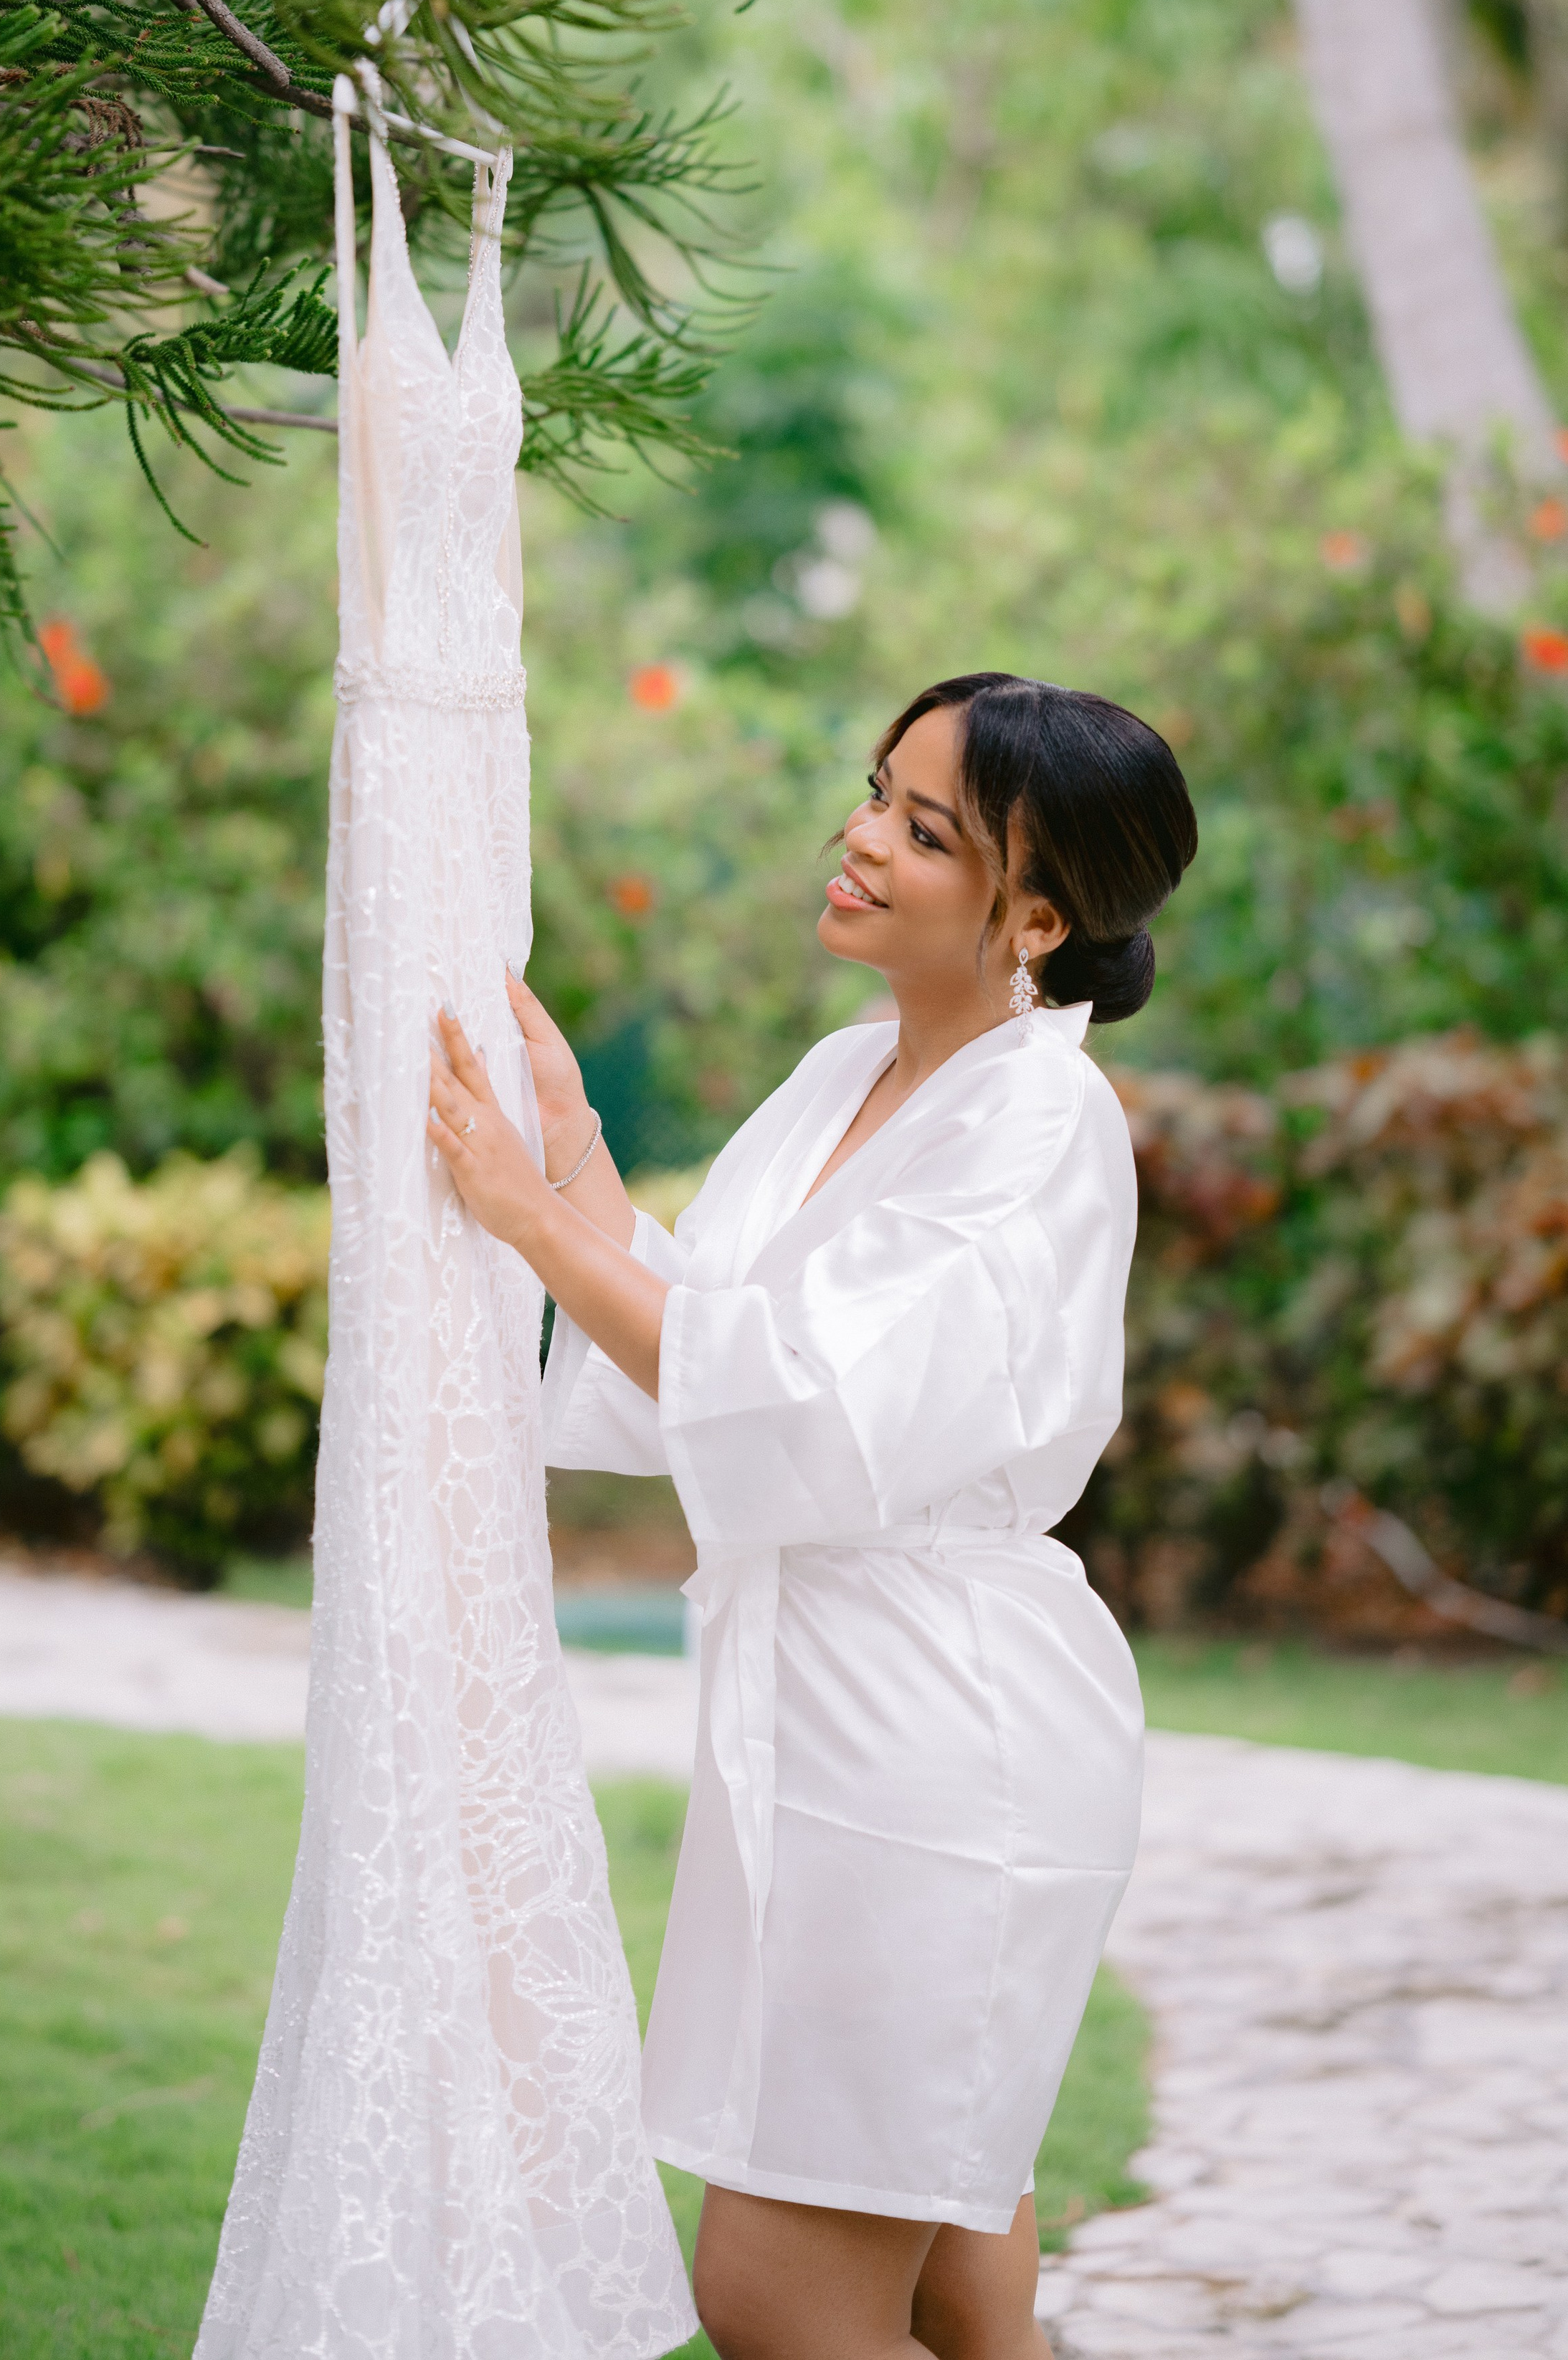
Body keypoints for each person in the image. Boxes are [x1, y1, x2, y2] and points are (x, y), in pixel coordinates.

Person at [426, 671, 1197, 2360]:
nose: (856, 837)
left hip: (934, 1744)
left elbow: (798, 1397)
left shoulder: (1035, 1116)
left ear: (1036, 918)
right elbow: (700, 1325)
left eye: (923, 830)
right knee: (957, 2291)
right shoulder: (853, 1069)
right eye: (873, 791)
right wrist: (569, 1143)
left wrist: (528, 1222)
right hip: (842, 1713)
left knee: (776, 2295)